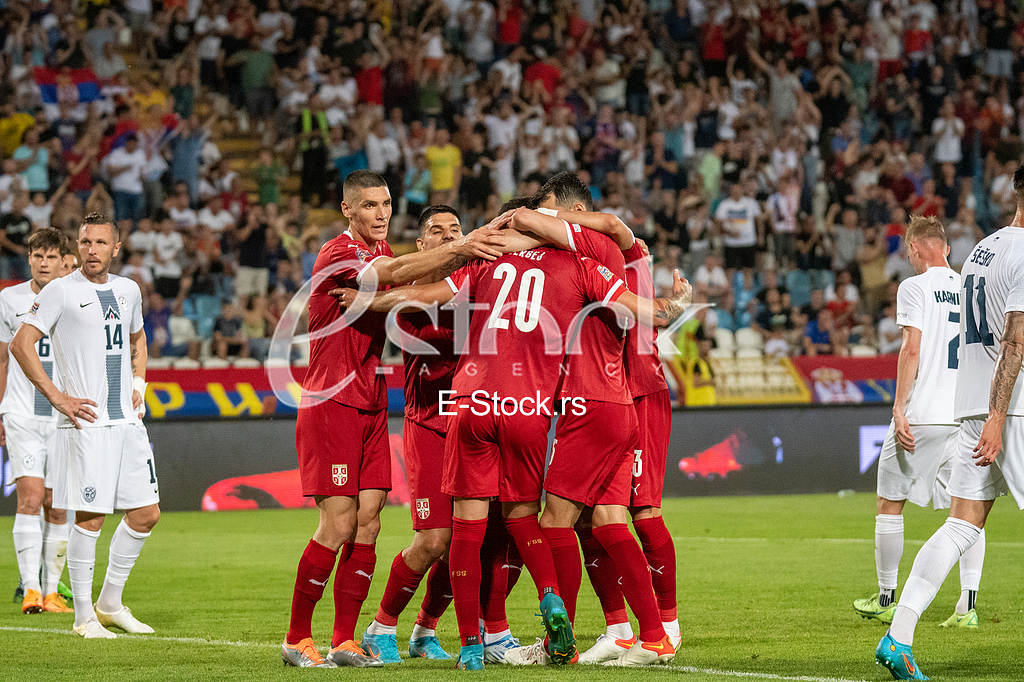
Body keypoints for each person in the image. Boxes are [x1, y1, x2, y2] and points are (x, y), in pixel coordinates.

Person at [338, 200, 691, 670]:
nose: (450, 237)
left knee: (479, 530)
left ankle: (476, 640)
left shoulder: (483, 264)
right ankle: (615, 626)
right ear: (423, 243)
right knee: (503, 527)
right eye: (438, 232)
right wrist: (679, 300)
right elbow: (653, 309)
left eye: (456, 229)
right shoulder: (585, 268)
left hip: (475, 408)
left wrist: (371, 299)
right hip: (522, 410)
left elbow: (430, 295)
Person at [281, 170, 508, 668]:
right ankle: (297, 638)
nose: (381, 213)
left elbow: (410, 279)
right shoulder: (336, 254)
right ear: (347, 210)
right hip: (332, 401)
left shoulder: (383, 256)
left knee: (369, 523)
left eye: (386, 204)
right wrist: (466, 246)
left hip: (371, 402)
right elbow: (401, 273)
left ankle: (345, 640)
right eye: (369, 205)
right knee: (338, 524)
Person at [500, 174, 680, 667]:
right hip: (616, 405)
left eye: (550, 211)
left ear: (565, 209)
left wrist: (515, 222)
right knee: (608, 520)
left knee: (553, 522)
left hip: (589, 404)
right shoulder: (603, 260)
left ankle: (561, 644)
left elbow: (543, 224)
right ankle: (653, 637)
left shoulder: (591, 248)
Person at [874, 166, 1024, 679]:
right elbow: (1016, 339)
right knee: (957, 523)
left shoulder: (983, 250)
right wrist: (1001, 416)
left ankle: (898, 636)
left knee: (960, 524)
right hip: (1012, 412)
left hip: (969, 408)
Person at [12, 213, 158, 639]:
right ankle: (82, 618)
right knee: (90, 519)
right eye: (85, 242)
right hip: (86, 424)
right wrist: (57, 397)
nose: (91, 249)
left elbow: (138, 338)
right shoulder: (60, 291)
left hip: (127, 422)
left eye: (100, 242)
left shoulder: (129, 290)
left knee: (147, 514)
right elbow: (22, 344)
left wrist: (138, 383)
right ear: (77, 247)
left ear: (116, 248)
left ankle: (109, 604)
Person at [854, 215, 985, 631]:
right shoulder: (970, 287)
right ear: (945, 247)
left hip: (924, 415)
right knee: (968, 512)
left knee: (889, 503)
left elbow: (911, 349)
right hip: (965, 414)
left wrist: (898, 407)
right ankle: (967, 606)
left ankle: (888, 597)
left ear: (914, 249)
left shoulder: (913, 286)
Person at [1, 229, 74, 615]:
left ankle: (52, 592)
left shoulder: (75, 298)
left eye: (50, 257)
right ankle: (31, 589)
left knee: (58, 508)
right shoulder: (9, 299)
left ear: (63, 260)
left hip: (62, 416)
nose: (44, 263)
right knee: (30, 498)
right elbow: (1, 359)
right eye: (37, 256)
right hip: (22, 413)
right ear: (29, 258)